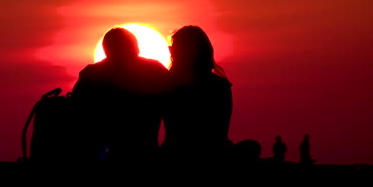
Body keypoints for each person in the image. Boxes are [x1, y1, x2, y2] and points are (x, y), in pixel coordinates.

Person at [161, 25, 260, 167]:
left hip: (183, 152)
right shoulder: (218, 85)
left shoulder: (167, 84)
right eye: (171, 49)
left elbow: (218, 131)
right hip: (207, 153)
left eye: (175, 49)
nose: (172, 53)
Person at [70, 27, 170, 165]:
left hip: (101, 155)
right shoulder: (154, 70)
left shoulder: (91, 74)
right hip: (144, 154)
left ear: (106, 50)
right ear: (135, 47)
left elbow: (76, 115)